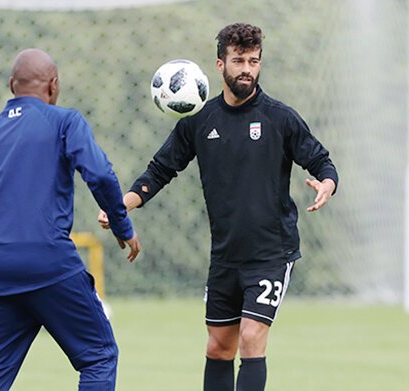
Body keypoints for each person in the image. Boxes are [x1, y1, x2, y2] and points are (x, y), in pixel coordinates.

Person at [98, 23, 338, 391]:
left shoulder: (280, 118)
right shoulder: (199, 119)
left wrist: (326, 184)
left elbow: (321, 161)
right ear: (220, 64)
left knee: (252, 337)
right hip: (226, 255)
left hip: (271, 253)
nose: (247, 68)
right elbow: (161, 169)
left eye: (254, 61)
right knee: (218, 346)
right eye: (238, 60)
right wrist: (122, 205)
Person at [0, 48, 141, 391]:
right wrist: (122, 225)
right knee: (99, 356)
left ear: (11, 85)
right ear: (54, 86)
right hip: (50, 266)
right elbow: (101, 176)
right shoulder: (65, 122)